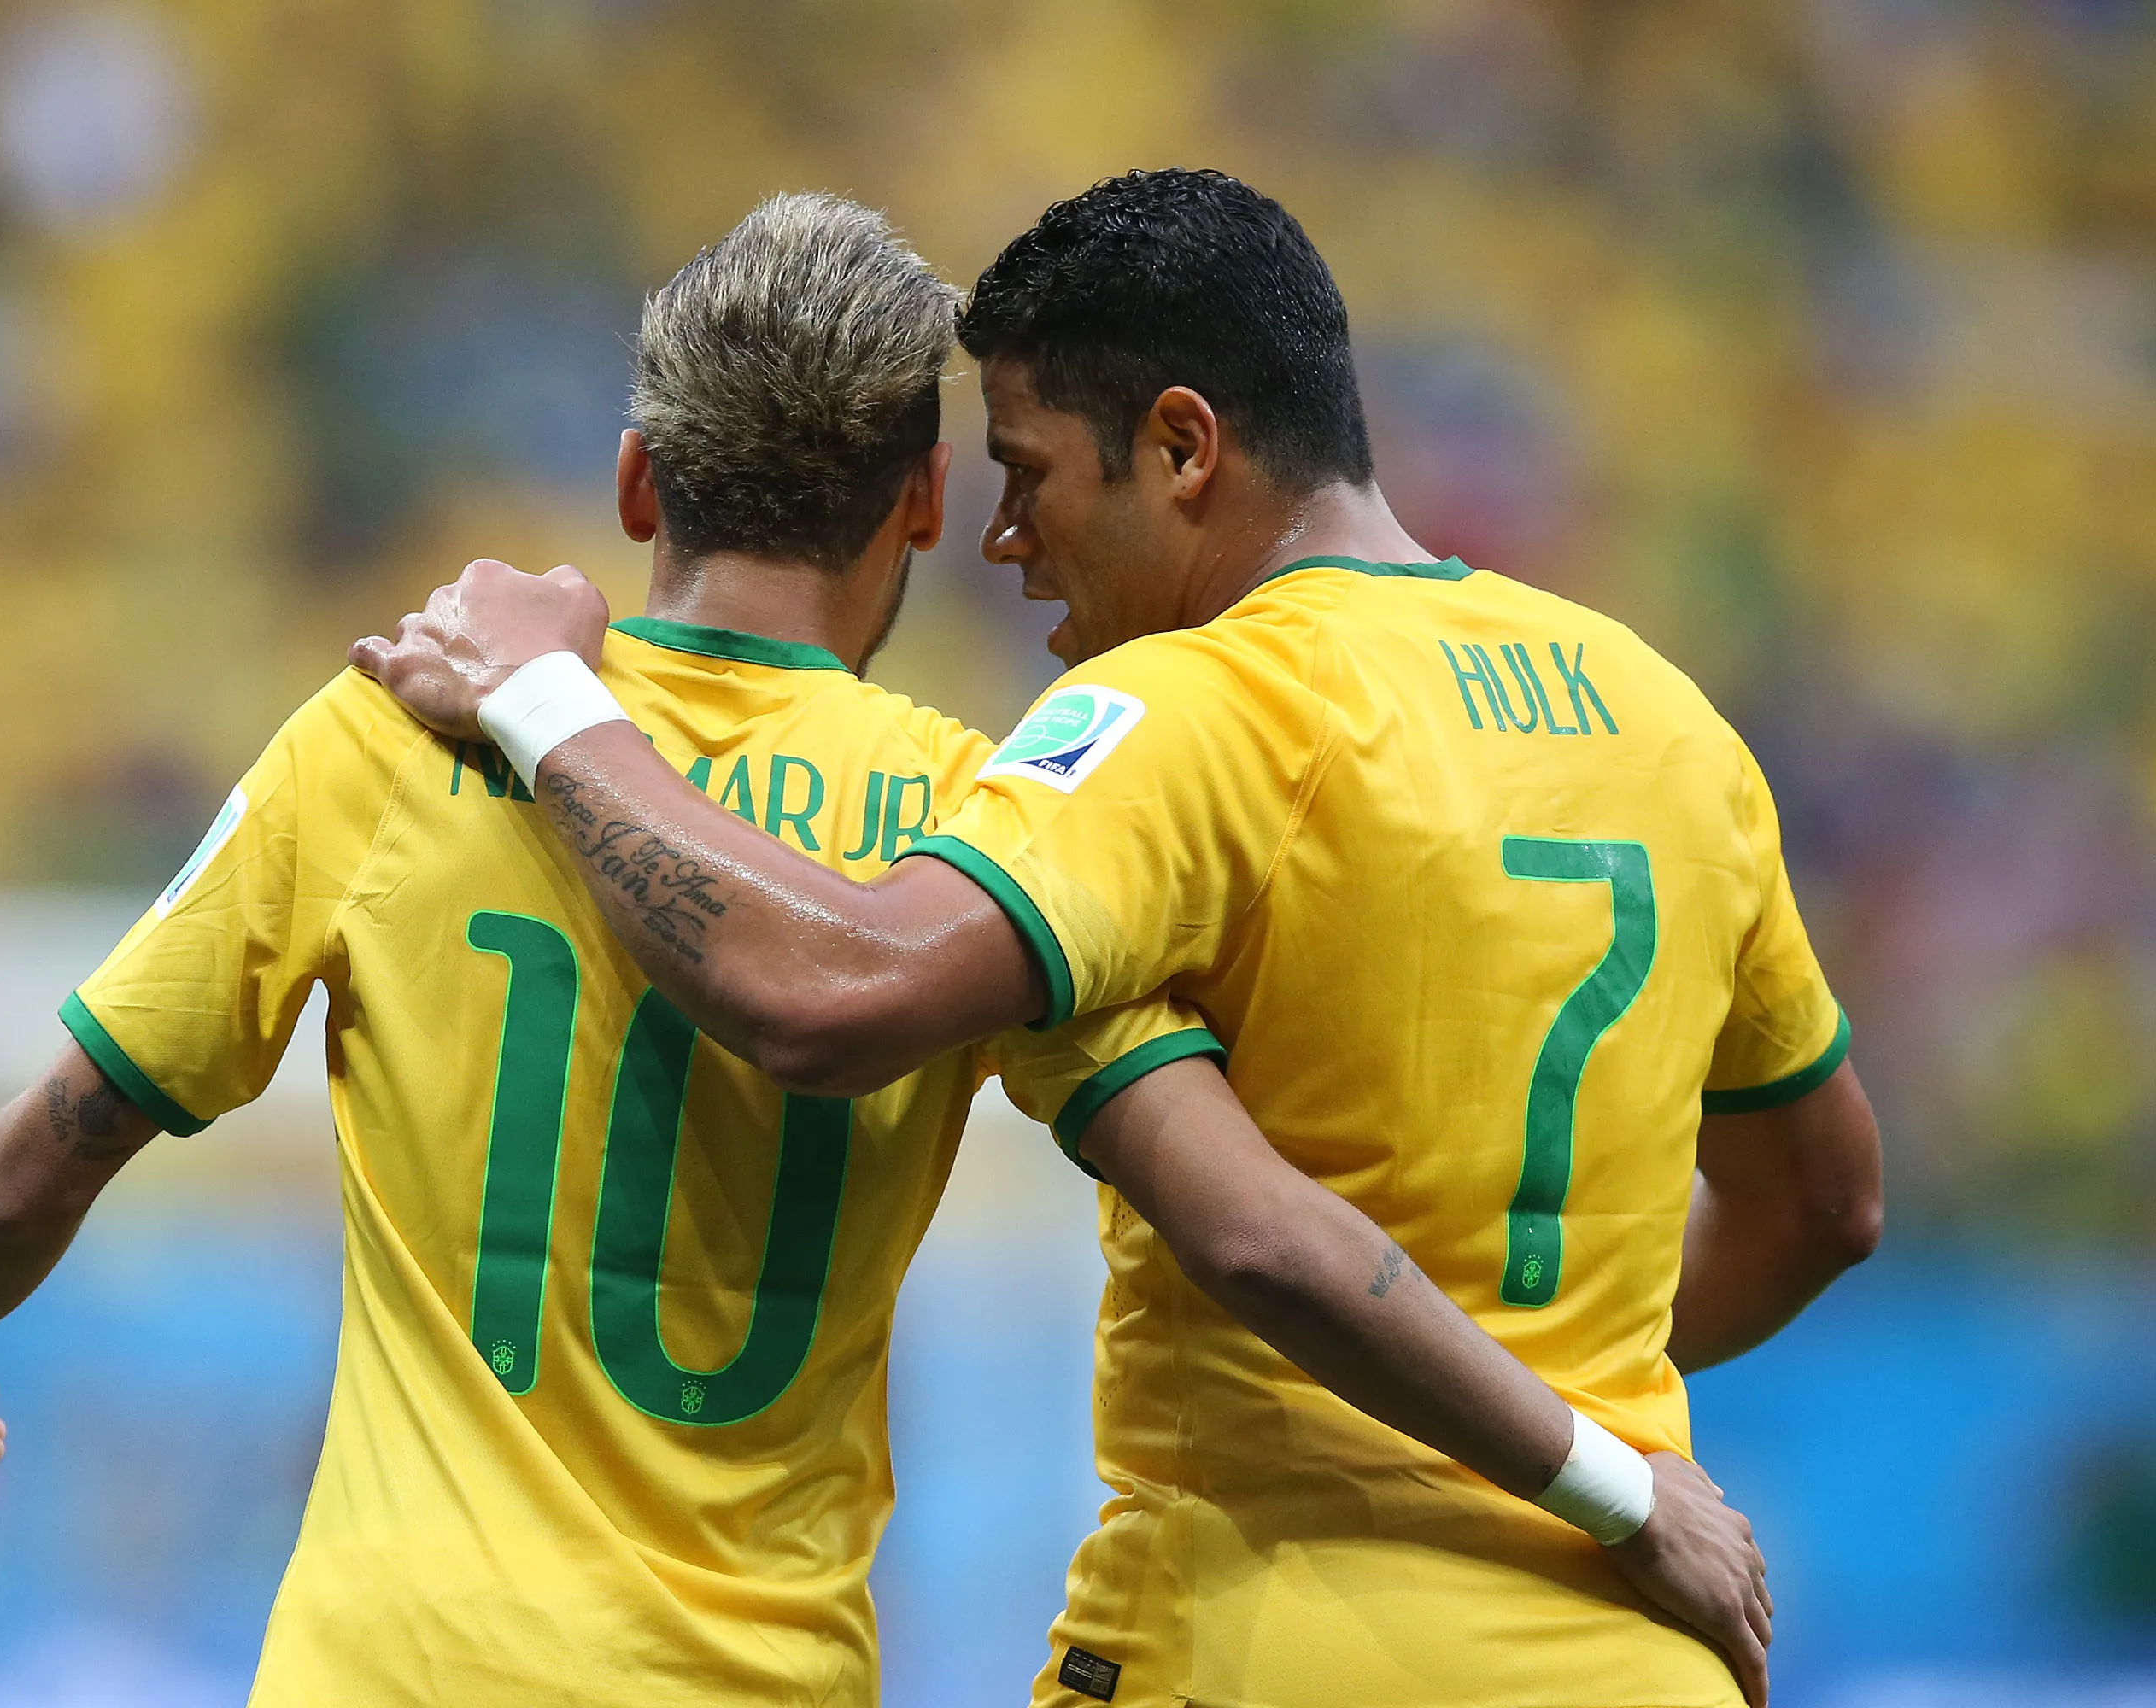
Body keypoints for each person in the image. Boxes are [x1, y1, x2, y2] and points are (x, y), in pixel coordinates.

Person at [0, 193, 1768, 1707]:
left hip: (389, 1673)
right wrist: (1591, 1448)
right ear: (925, 506)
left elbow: (42, 1153)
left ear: (635, 483)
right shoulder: (979, 819)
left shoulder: (384, 731)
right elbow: (1244, 1211)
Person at [358, 169, 1884, 1708]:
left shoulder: (1188, 712)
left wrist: (547, 704)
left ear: (1181, 446)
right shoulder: (1672, 725)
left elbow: (828, 989)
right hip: (1633, 1653)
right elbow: (1826, 1201)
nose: (1006, 539)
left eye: (1028, 472)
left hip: (1264, 1641)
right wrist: (1537, 1408)